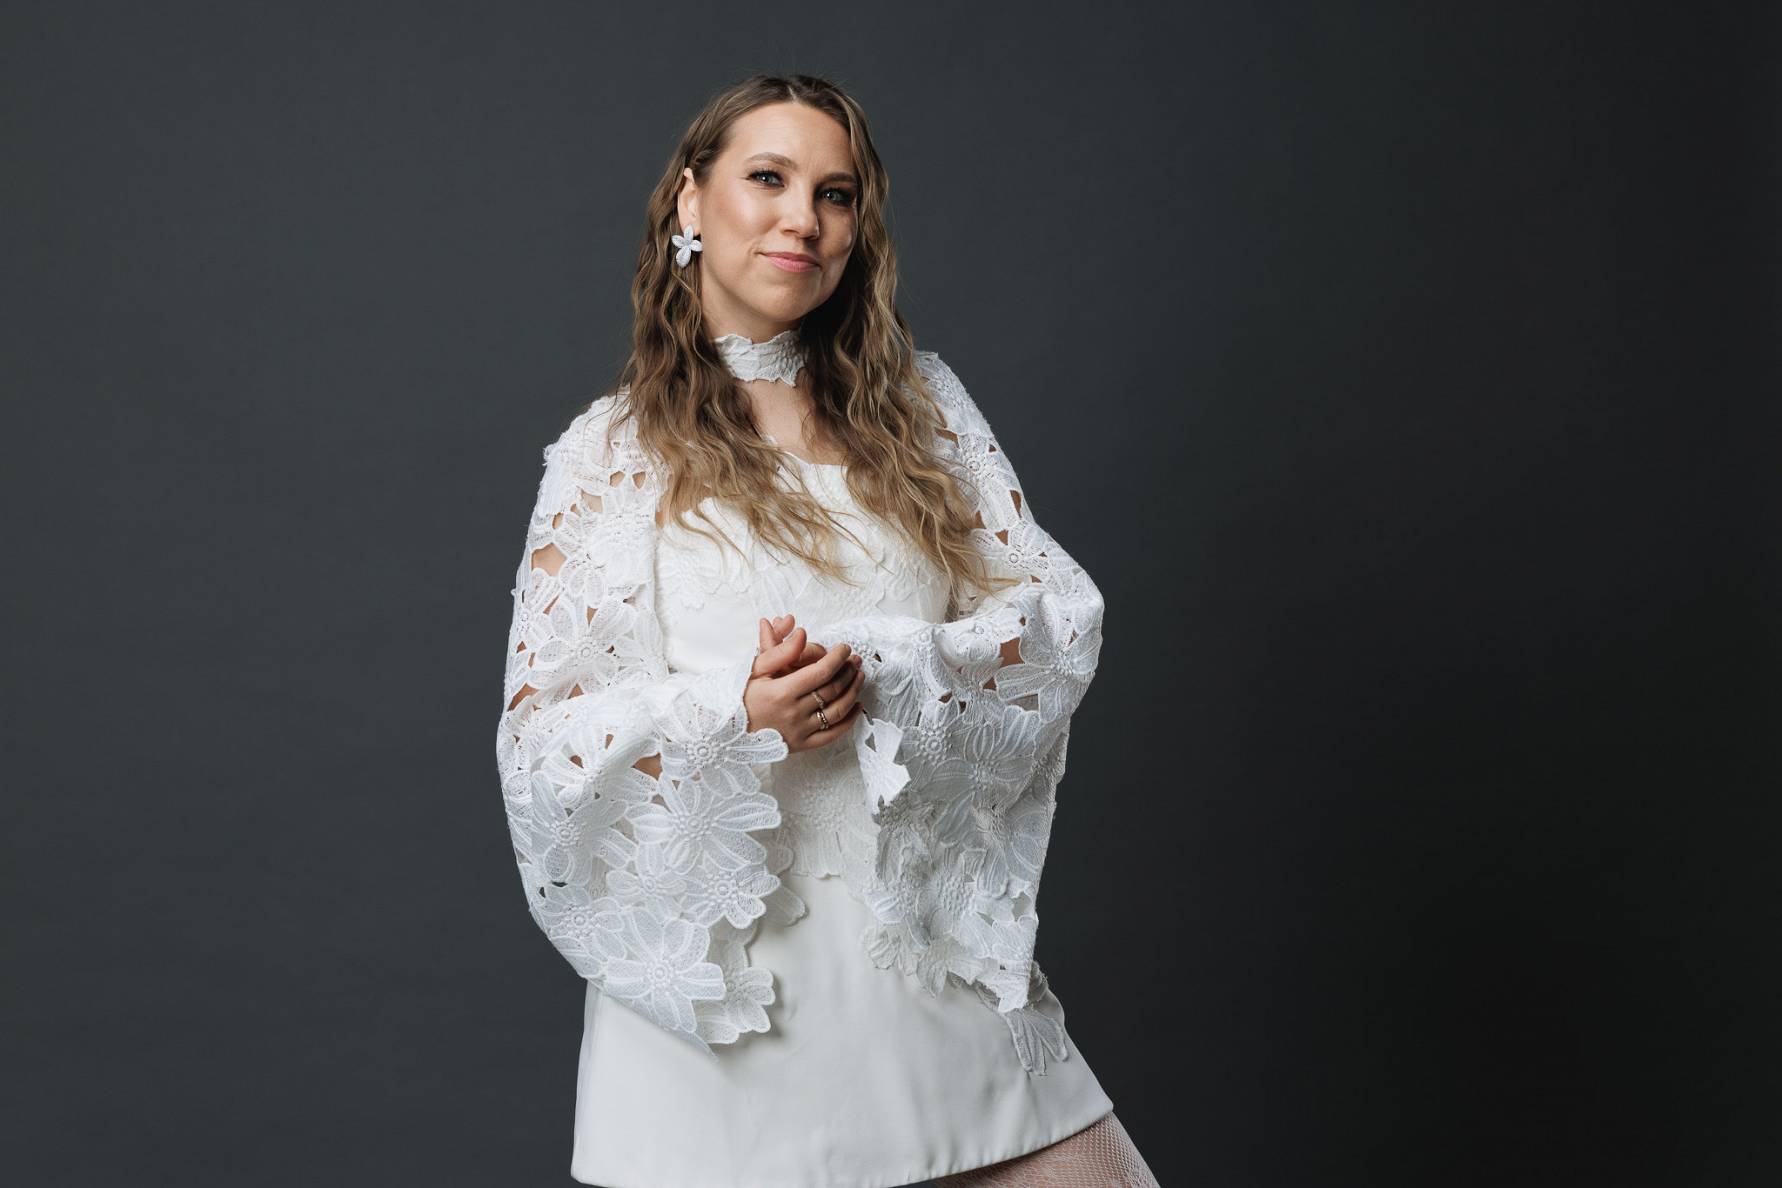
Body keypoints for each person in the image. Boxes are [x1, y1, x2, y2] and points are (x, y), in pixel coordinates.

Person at [495, 73, 1159, 1187]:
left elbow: (1053, 624)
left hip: (925, 958)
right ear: (690, 201)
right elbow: (543, 751)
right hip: (732, 1015)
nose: (803, 217)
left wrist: (896, 671)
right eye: (769, 178)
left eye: (836, 194)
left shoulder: (925, 413)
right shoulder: (609, 457)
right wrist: (738, 716)